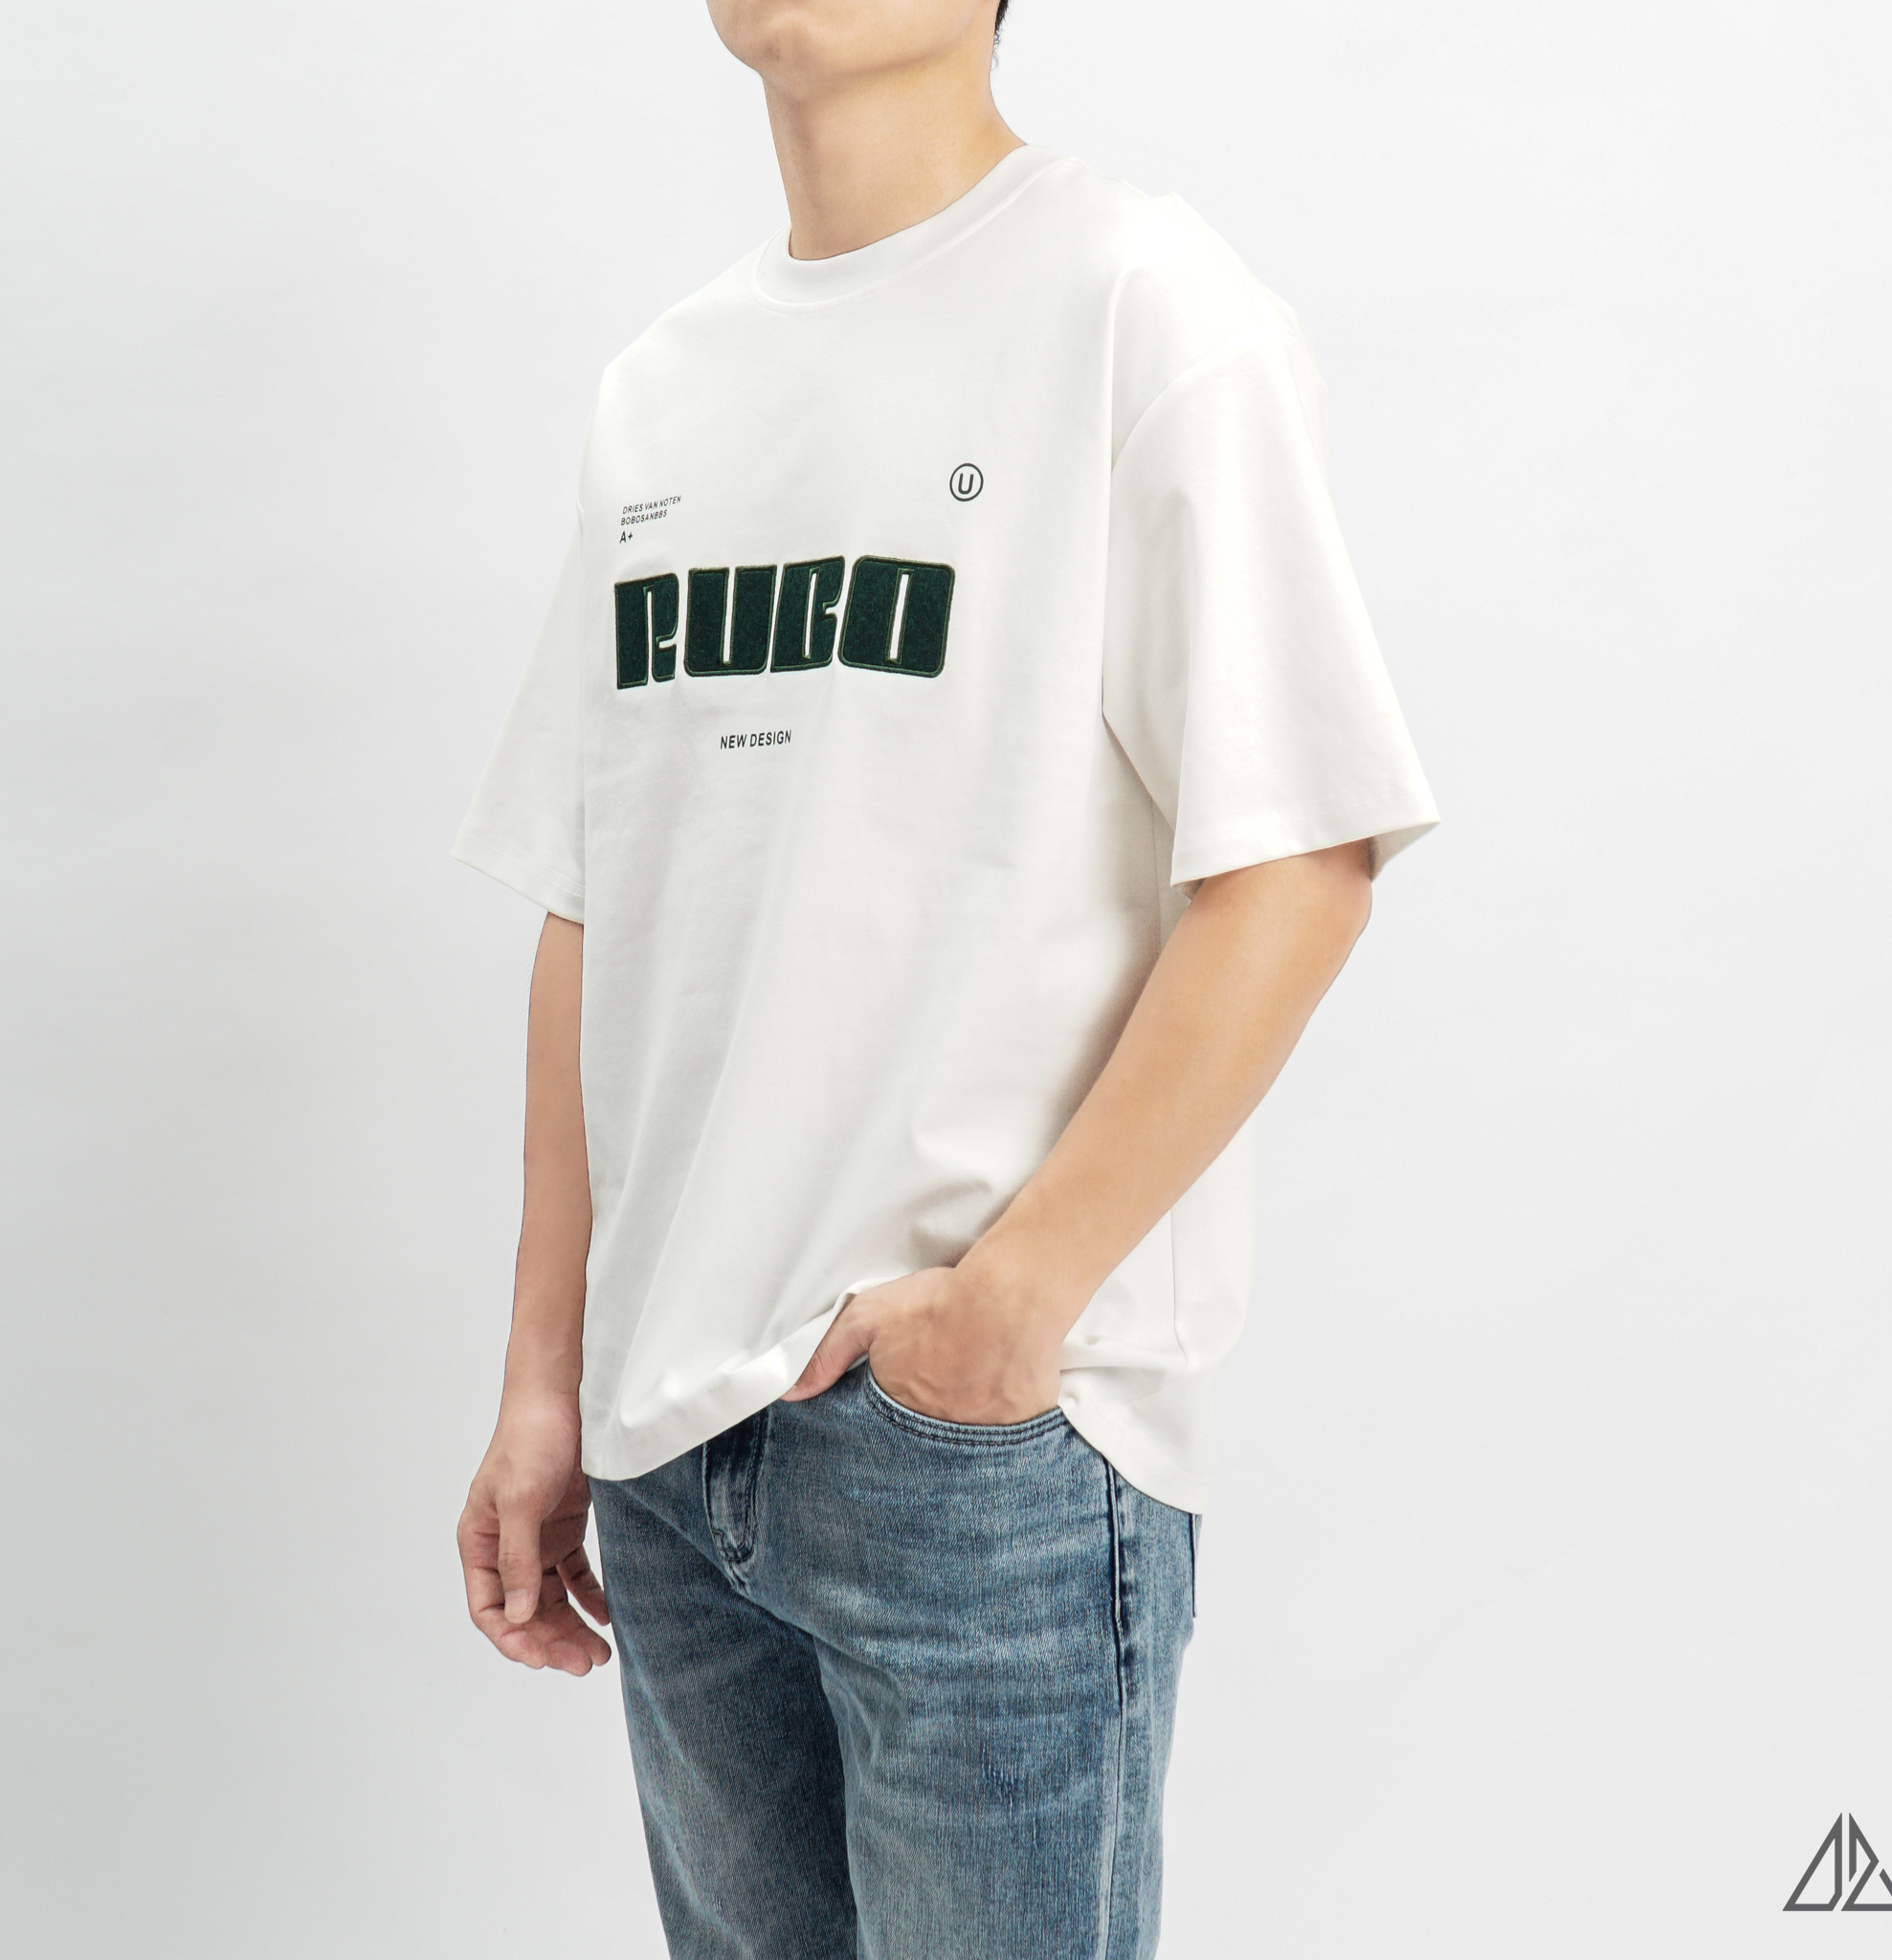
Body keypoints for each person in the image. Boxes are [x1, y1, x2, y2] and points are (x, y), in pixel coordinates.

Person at [452, 1, 1436, 1952]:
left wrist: (1009, 1309)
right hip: (669, 1451)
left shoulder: (1141, 306)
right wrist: (545, 1379)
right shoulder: (663, 388)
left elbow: (1298, 861)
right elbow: (592, 904)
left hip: (979, 1461)